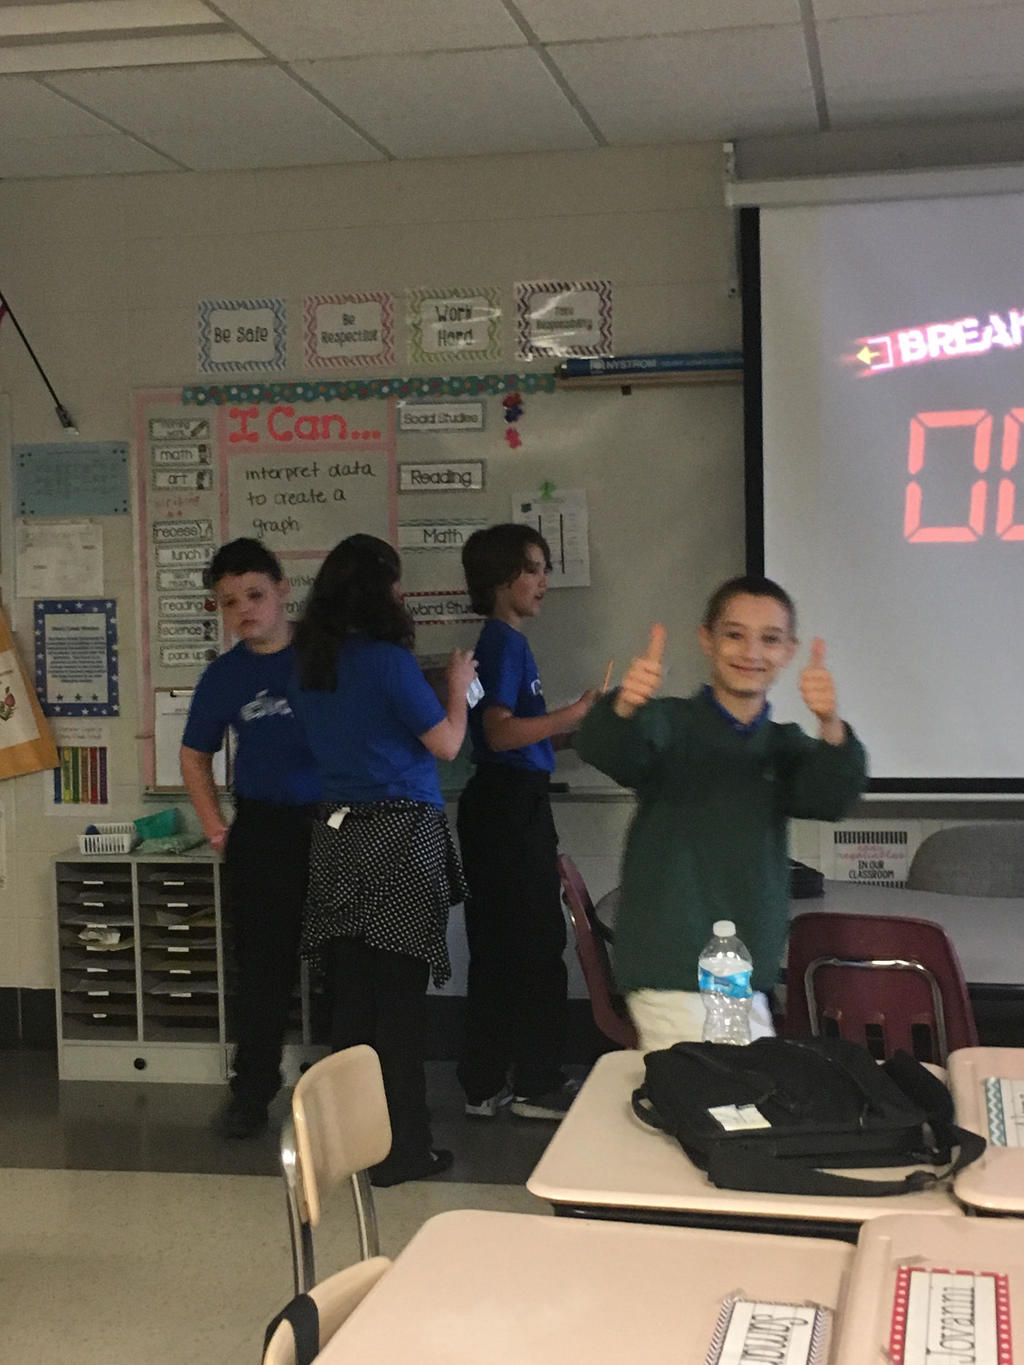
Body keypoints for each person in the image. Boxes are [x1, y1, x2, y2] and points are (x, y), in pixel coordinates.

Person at [575, 574, 868, 1052]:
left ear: (789, 651)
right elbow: (607, 750)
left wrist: (830, 723)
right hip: (672, 965)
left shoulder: (782, 745)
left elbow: (831, 796)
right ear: (706, 639)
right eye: (734, 634)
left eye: (769, 639)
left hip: (743, 969)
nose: (751, 652)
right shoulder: (668, 724)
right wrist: (624, 706)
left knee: (740, 1086)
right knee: (719, 1089)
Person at [289, 534, 476, 1187]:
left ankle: (354, 1146)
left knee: (352, 1004)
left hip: (338, 837)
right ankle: (405, 1149)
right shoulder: (390, 664)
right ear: (379, 593)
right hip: (400, 841)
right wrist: (456, 688)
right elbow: (447, 743)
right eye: (396, 583)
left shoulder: (310, 664)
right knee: (399, 1007)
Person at [180, 538, 321, 1138]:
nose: (244, 611)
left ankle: (355, 1090)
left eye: (255, 595)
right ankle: (252, 1092)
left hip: (337, 820)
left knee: (348, 963)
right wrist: (215, 827)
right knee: (262, 968)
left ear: (283, 590)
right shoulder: (226, 674)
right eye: (229, 602)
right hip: (264, 827)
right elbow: (194, 755)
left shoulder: (326, 653)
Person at [457, 523, 597, 1121]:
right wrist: (574, 711)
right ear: (501, 579)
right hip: (508, 808)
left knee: (504, 946)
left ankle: (486, 1082)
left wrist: (579, 732)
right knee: (534, 945)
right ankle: (535, 1083)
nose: (544, 582)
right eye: (533, 569)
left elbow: (522, 738)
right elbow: (497, 733)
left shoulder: (506, 643)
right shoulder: (501, 644)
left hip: (509, 801)